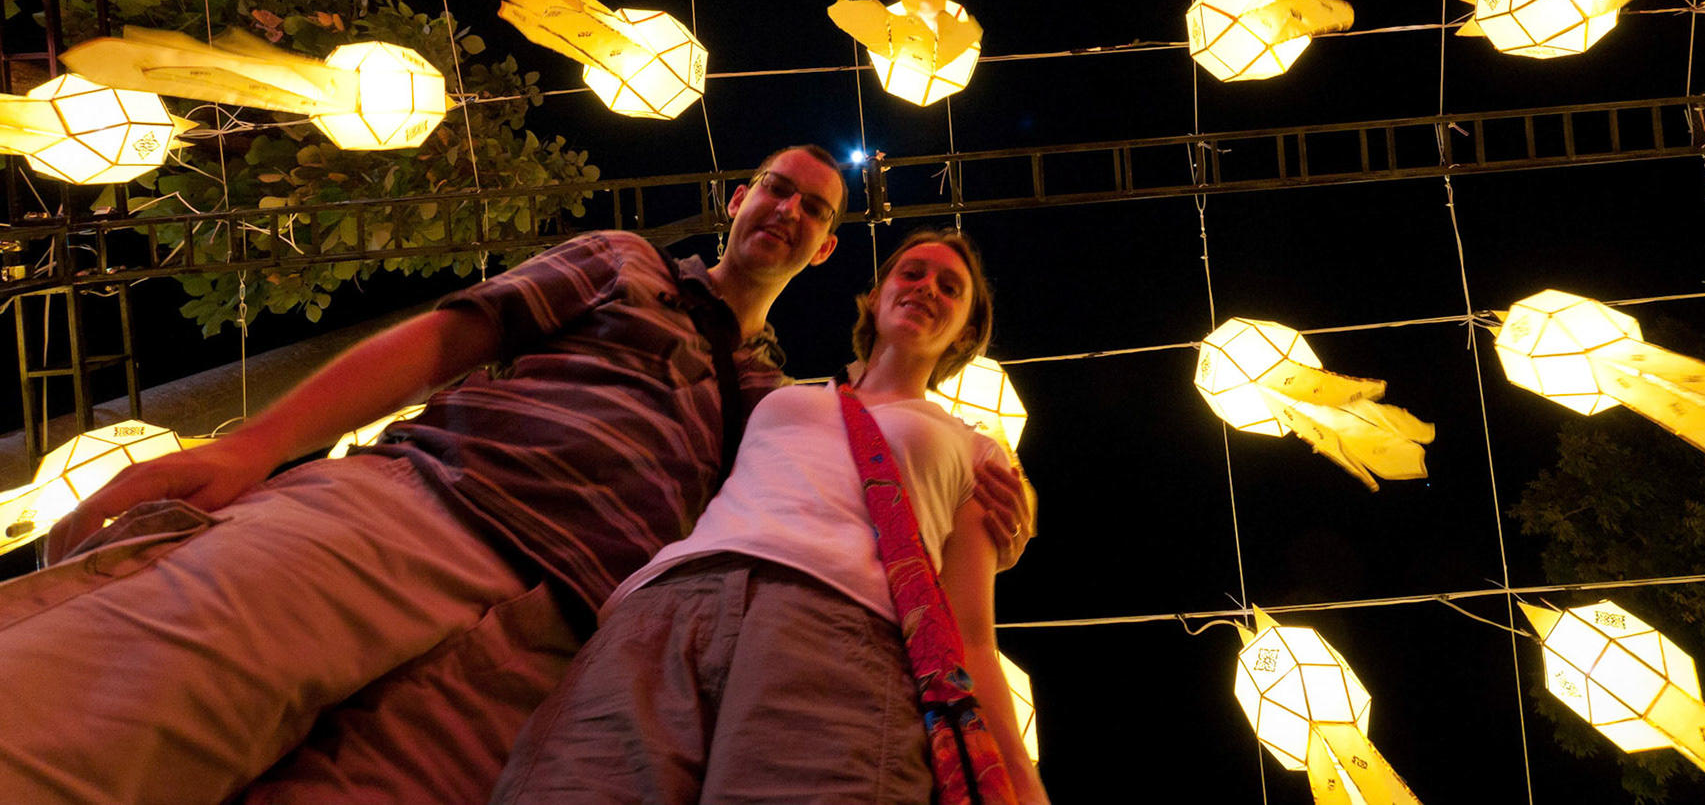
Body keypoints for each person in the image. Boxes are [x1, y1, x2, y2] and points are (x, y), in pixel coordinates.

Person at [0, 146, 1027, 805]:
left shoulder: (768, 398)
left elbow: (828, 492)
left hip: (551, 647)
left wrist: (980, 505)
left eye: (811, 208)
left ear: (825, 246)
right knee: (105, 716)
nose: (788, 212)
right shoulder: (624, 263)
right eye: (776, 189)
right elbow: (451, 337)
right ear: (736, 198)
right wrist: (252, 447)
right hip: (423, 514)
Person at [491, 227, 1049, 805]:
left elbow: (972, 635)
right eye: (912, 273)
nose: (927, 288)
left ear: (967, 330)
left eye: (951, 287)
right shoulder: (778, 394)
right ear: (878, 294)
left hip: (838, 629)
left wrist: (1020, 782)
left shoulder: (976, 449)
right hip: (668, 604)